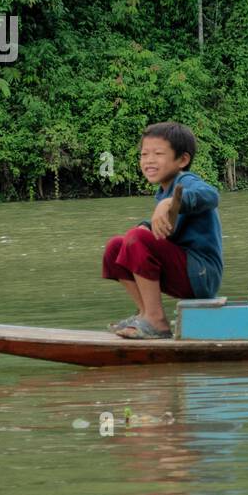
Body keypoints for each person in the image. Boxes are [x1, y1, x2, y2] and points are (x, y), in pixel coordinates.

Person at [102, 122, 223, 338]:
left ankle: (156, 320)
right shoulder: (162, 191)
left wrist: (169, 203)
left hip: (202, 274)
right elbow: (167, 228)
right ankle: (145, 314)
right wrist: (147, 224)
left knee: (136, 238)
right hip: (182, 268)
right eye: (144, 154)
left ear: (182, 160)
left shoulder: (186, 180)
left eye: (158, 154)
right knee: (116, 247)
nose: (148, 160)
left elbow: (211, 195)